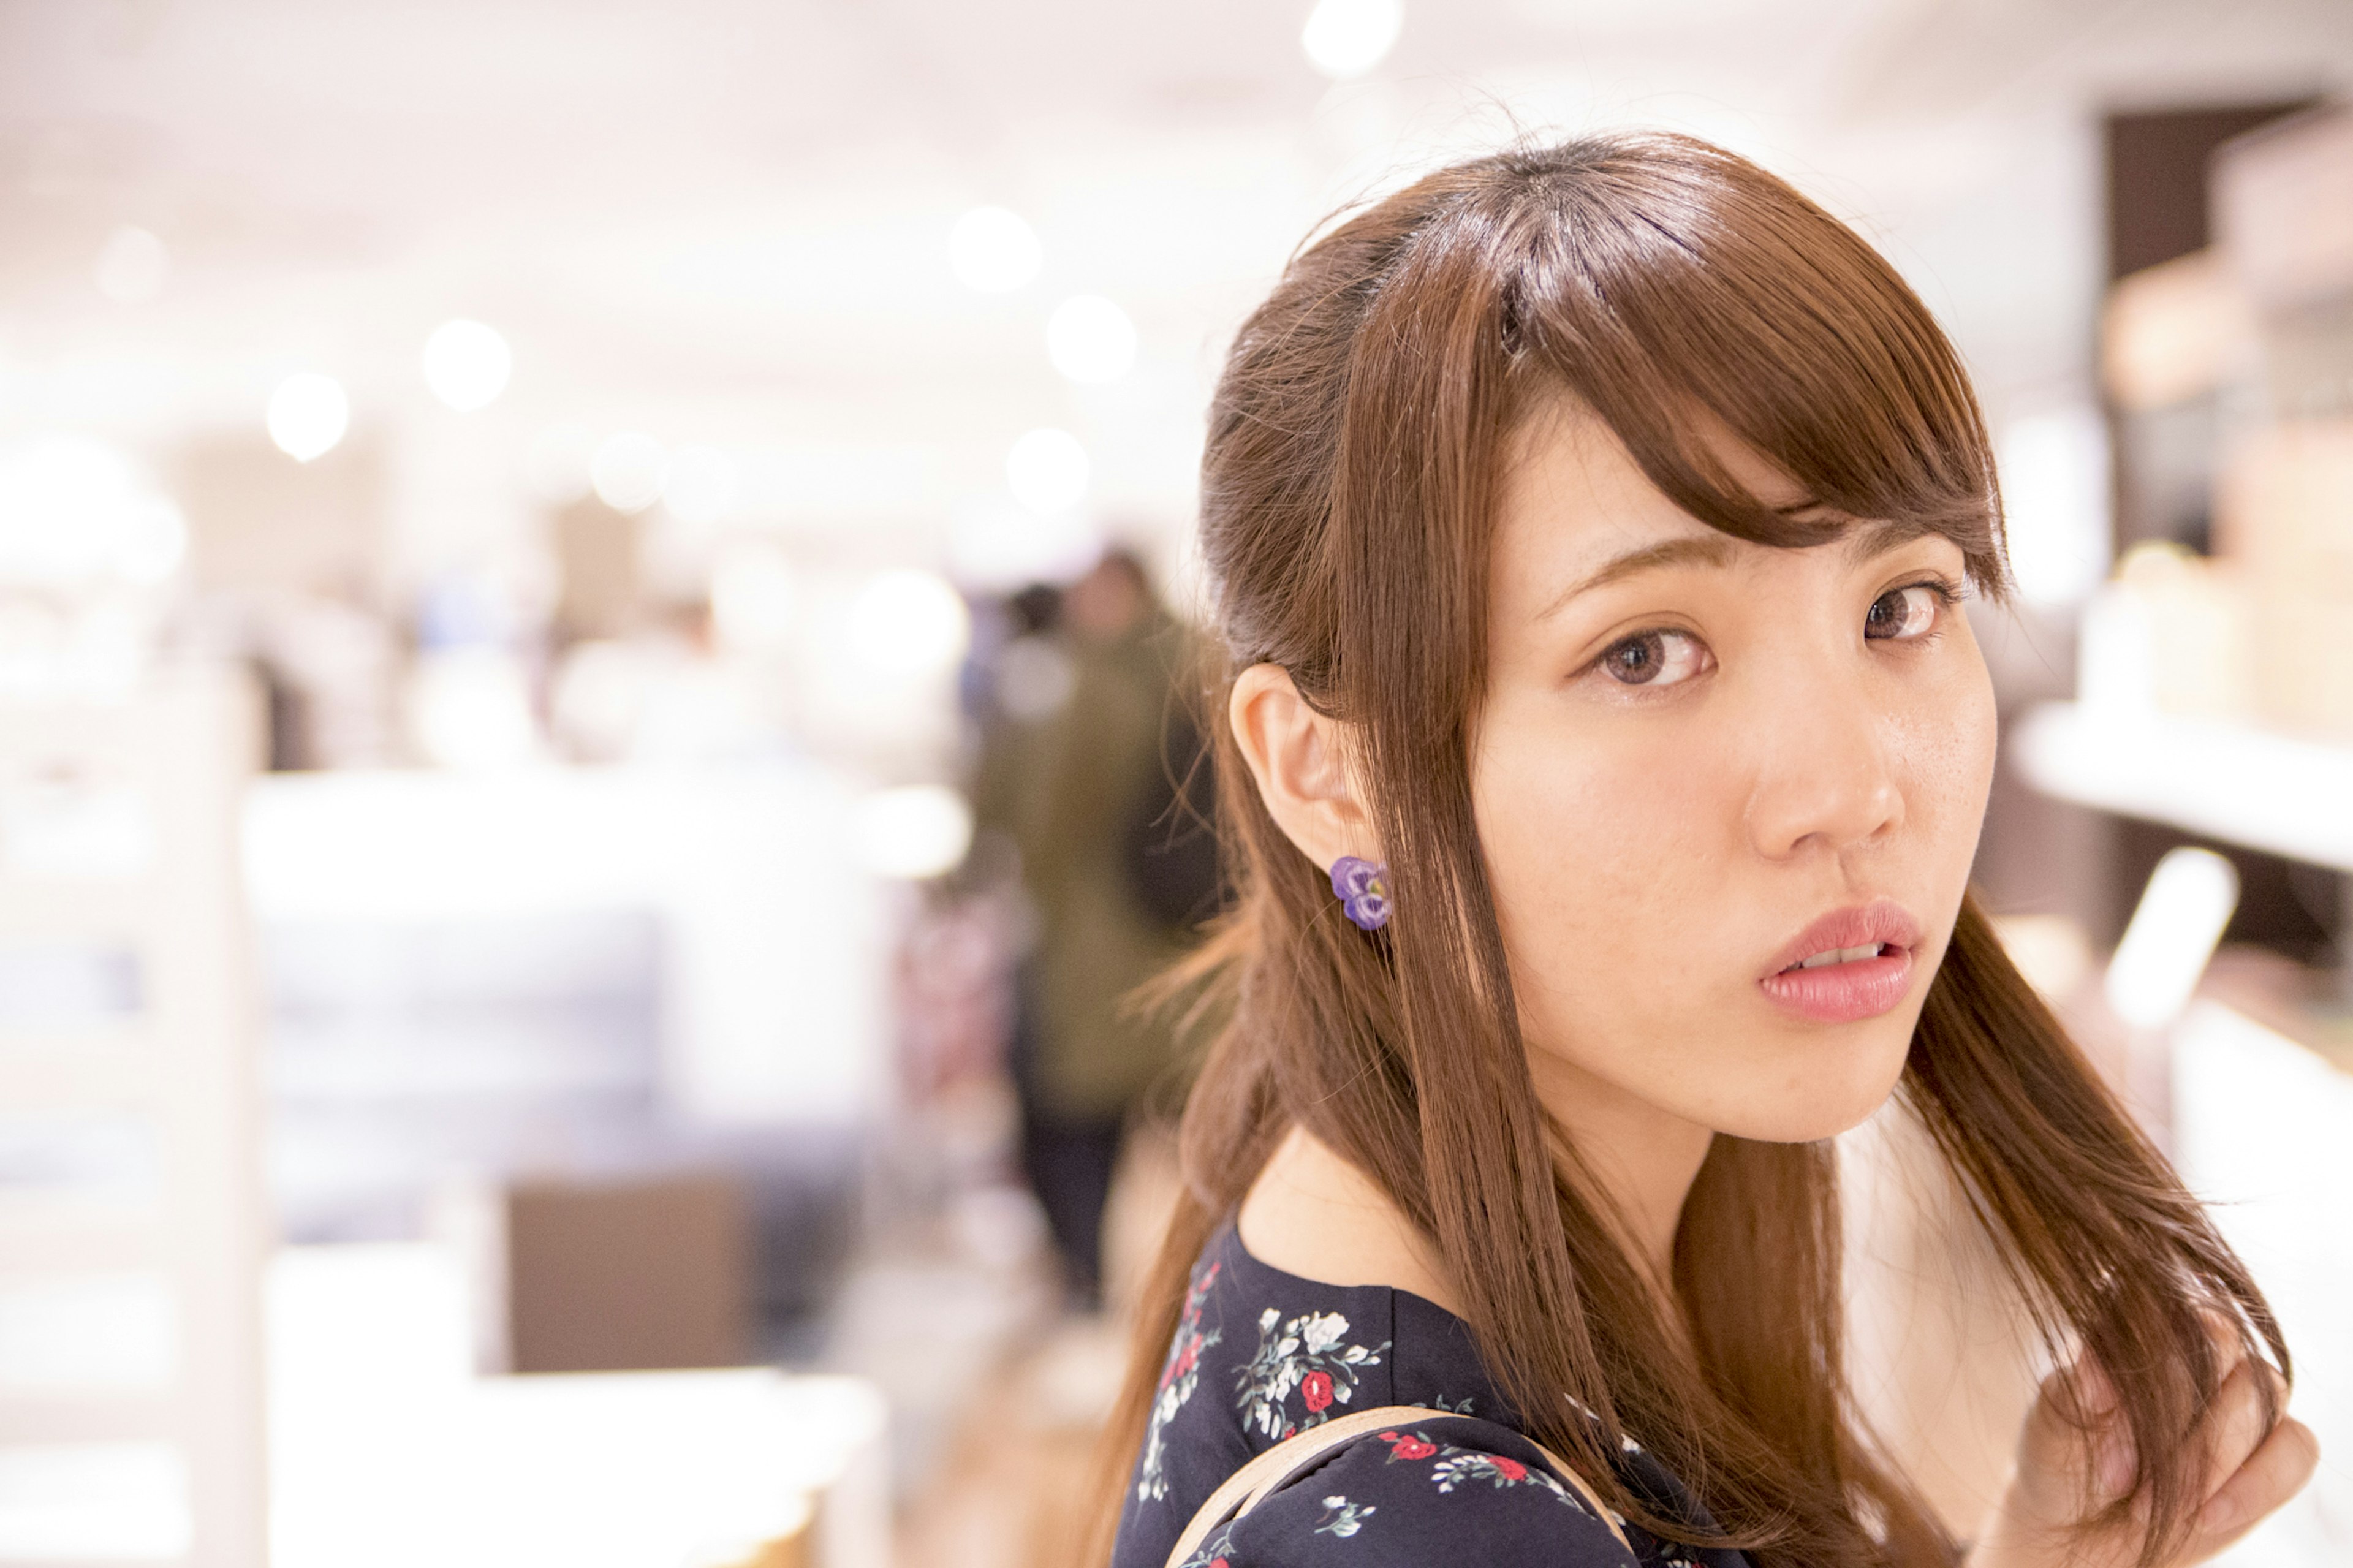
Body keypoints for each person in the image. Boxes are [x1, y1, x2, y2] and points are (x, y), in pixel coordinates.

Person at [1093, 134, 2317, 1568]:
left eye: (1898, 605)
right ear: (1328, 774)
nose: (1851, 789)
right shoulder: (1435, 1534)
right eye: (1645, 650)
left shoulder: (1472, 1225)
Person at [976, 548, 1215, 1309]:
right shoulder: (1209, 668)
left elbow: (1042, 826)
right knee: (1197, 1154)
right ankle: (1196, 1303)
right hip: (1200, 954)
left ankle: (1094, 1298)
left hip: (1098, 953)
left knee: (1078, 1140)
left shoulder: (1087, 688)